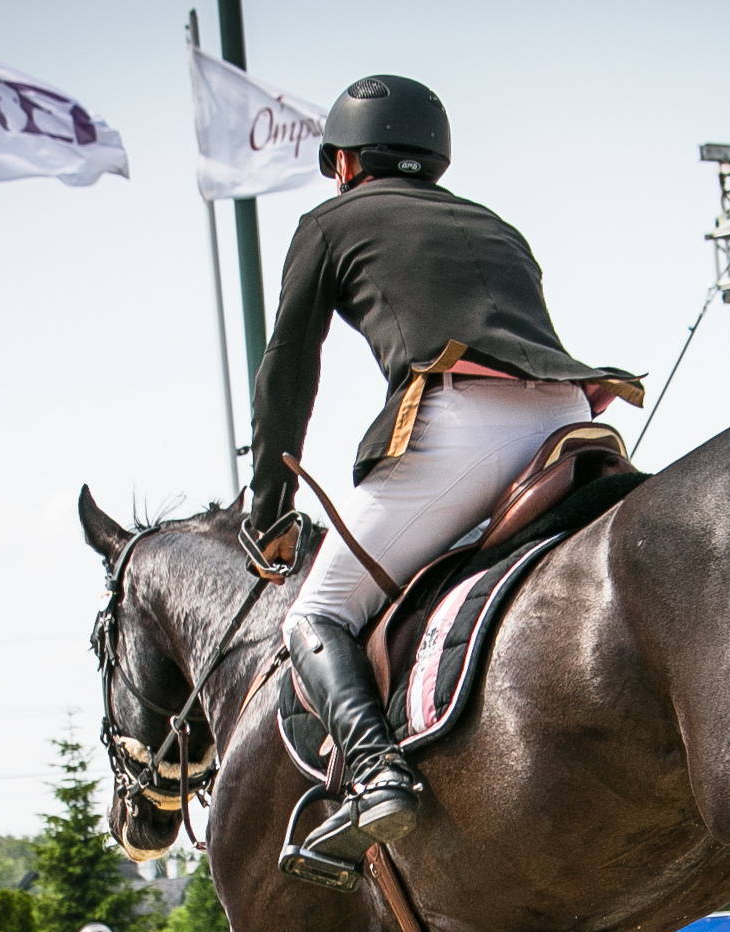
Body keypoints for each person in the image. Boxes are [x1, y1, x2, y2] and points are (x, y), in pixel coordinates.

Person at [248, 74, 640, 882]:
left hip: (464, 423)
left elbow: (288, 371)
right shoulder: (494, 223)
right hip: (569, 417)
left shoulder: (329, 220)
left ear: (346, 162)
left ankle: (377, 772)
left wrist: (269, 504)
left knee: (315, 613)